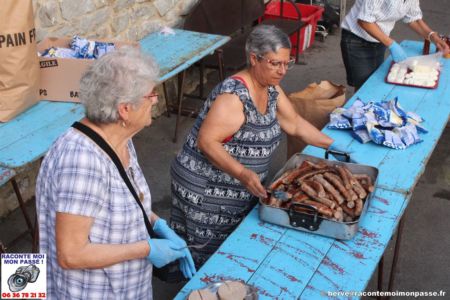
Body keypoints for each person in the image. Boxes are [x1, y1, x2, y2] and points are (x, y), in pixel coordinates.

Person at [170, 25, 345, 268]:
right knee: (209, 258)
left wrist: (338, 146)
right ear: (254, 58)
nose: (282, 71)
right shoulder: (234, 97)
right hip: (206, 189)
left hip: (241, 185)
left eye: (287, 63)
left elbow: (294, 123)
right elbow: (207, 142)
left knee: (236, 249)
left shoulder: (271, 87)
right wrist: (243, 173)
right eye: (275, 63)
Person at [36, 47, 195, 299]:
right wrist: (146, 248)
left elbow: (124, 202)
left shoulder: (119, 137)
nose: (155, 100)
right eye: (150, 95)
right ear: (124, 109)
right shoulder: (82, 162)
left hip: (126, 286)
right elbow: (71, 254)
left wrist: (156, 223)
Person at [341, 0, 450, 91]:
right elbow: (364, 21)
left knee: (373, 82)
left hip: (379, 39)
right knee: (364, 87)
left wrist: (432, 36)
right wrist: (391, 44)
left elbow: (413, 18)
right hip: (356, 41)